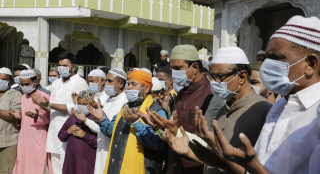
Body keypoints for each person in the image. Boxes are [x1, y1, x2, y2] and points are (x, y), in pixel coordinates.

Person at [193, 15, 320, 174]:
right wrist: (223, 159)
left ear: (310, 64)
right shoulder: (279, 107)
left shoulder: (315, 116)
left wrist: (250, 166)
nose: (267, 66)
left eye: (276, 58)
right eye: (267, 58)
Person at [90, 70, 168, 174]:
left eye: (134, 84)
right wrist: (102, 120)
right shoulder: (126, 107)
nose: (129, 88)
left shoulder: (157, 111)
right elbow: (113, 131)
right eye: (128, 84)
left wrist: (137, 123)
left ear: (146, 88)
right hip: (117, 167)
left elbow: (158, 143)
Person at [32, 51, 88, 174]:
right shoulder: (56, 83)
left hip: (70, 130)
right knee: (56, 167)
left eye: (65, 66)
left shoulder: (80, 82)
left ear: (73, 67)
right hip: (54, 131)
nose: (61, 68)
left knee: (67, 166)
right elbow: (51, 107)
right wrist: (42, 104)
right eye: (60, 65)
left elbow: (73, 108)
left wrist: (49, 104)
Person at [73, 68, 128, 174]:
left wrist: (101, 117)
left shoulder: (125, 102)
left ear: (120, 84)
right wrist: (85, 120)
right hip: (102, 147)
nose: (106, 84)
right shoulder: (106, 99)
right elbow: (100, 128)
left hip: (114, 151)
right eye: (106, 80)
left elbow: (114, 129)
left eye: (110, 81)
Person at [169, 44, 213, 174]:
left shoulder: (210, 93)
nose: (174, 73)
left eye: (178, 68)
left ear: (195, 68)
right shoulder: (181, 93)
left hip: (197, 165)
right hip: (176, 163)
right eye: (172, 69)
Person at [10, 70, 52, 174]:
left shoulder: (44, 96)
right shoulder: (23, 97)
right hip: (24, 138)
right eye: (22, 84)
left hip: (38, 137)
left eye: (27, 84)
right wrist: (19, 117)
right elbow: (25, 119)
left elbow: (50, 118)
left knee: (37, 165)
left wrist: (37, 118)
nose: (24, 86)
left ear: (35, 82)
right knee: (23, 163)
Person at [58, 90, 97, 174]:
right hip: (70, 161)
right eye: (79, 103)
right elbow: (61, 136)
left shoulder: (95, 119)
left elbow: (99, 143)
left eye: (85, 104)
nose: (81, 107)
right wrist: (68, 131)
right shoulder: (72, 117)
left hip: (87, 163)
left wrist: (85, 135)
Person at [0, 67, 22, 174]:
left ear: (11, 81)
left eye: (3, 80)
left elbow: (14, 115)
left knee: (6, 171)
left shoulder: (15, 94)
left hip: (8, 141)